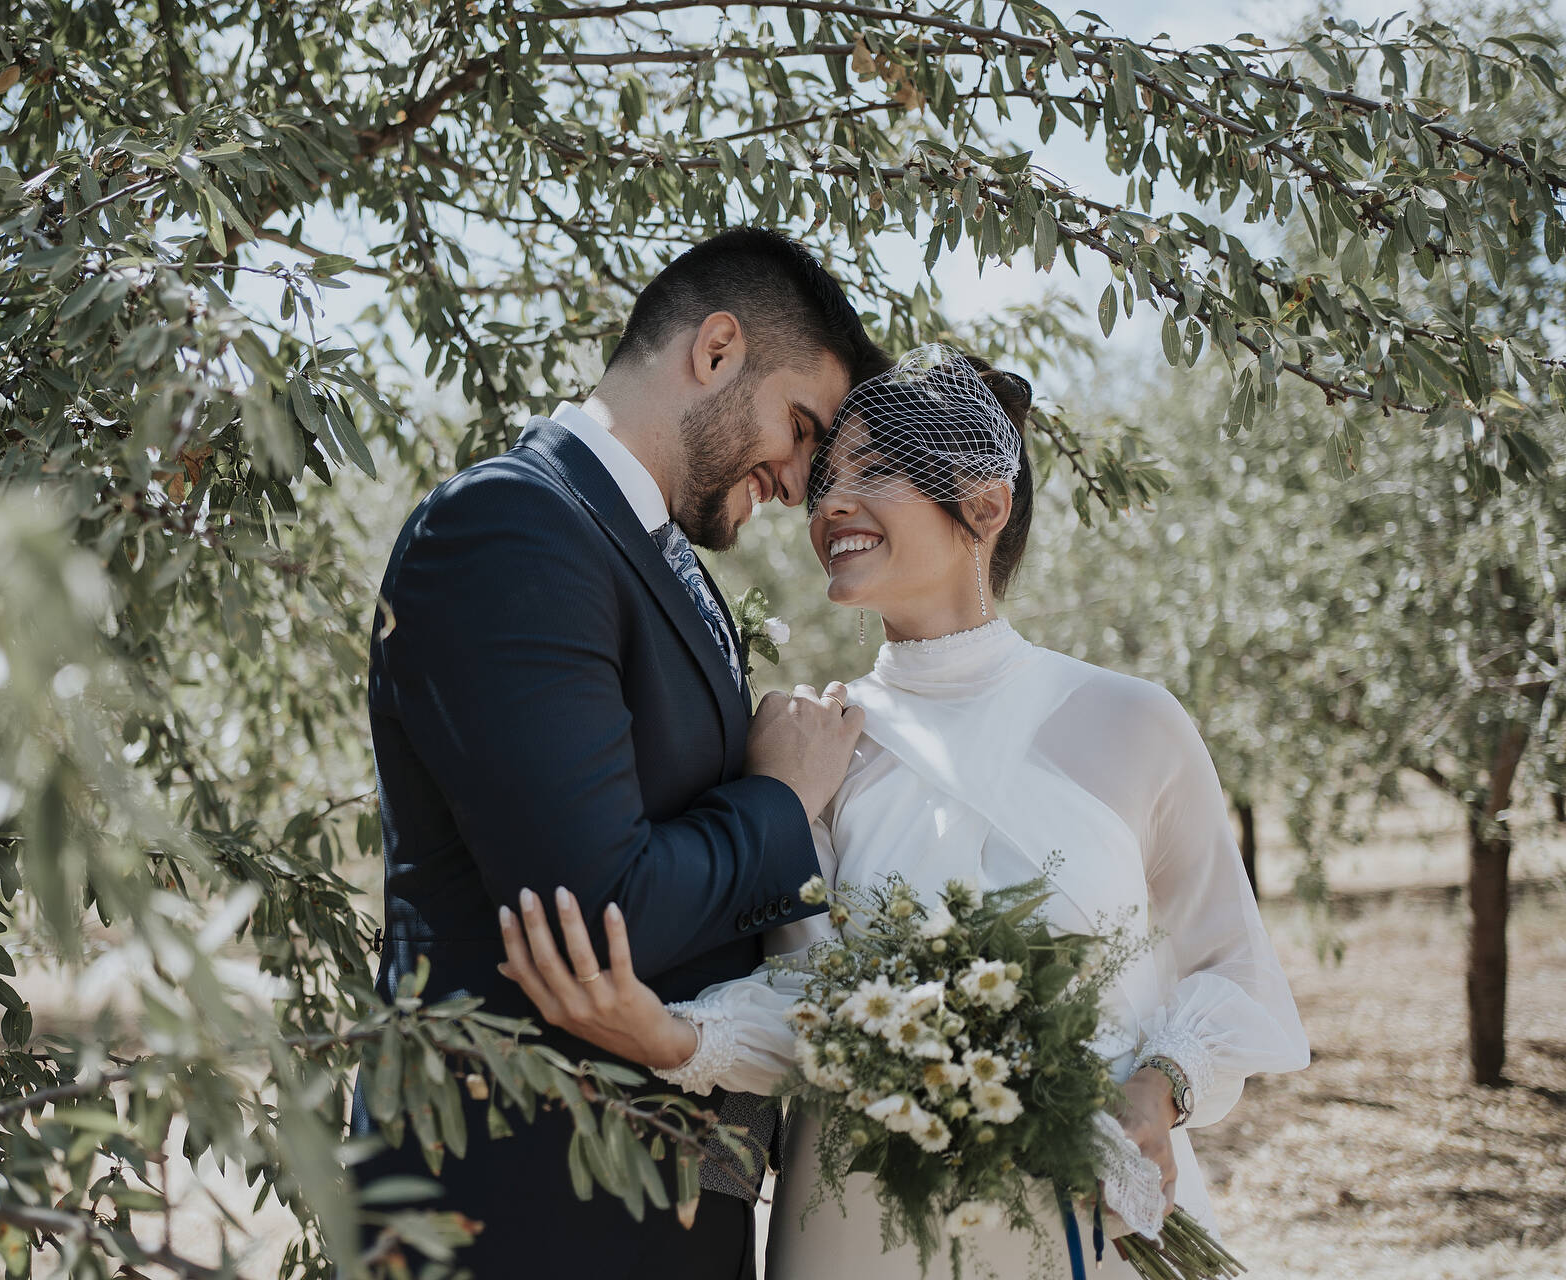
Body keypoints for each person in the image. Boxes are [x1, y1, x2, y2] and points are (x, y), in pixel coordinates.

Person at [496, 346, 1311, 1278]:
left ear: (986, 505)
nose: (830, 503)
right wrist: (675, 1039)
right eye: (825, 481)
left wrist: (1154, 1096)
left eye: (874, 471)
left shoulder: (1134, 723)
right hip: (862, 1230)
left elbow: (1232, 972)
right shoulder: (815, 748)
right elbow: (813, 1012)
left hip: (1096, 1221)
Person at [354, 227, 894, 1280]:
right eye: (801, 428)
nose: (798, 481)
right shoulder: (510, 526)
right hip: (517, 1201)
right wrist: (779, 798)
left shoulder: (652, 560)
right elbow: (597, 906)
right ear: (717, 349)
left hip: (650, 1204)